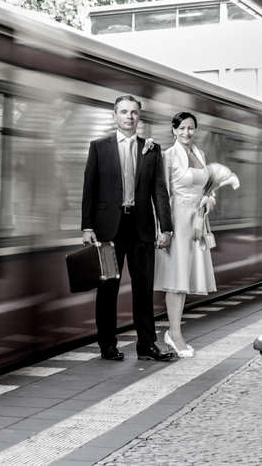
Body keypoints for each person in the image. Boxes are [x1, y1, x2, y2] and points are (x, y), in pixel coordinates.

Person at [81, 95, 175, 362]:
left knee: (144, 289)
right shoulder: (99, 147)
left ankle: (147, 345)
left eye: (134, 112)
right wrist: (87, 226)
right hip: (108, 230)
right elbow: (89, 188)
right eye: (123, 112)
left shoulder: (151, 149)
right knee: (108, 288)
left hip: (141, 228)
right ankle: (107, 345)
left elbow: (160, 191)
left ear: (139, 117)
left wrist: (165, 229)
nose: (129, 117)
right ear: (114, 116)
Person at [154, 112, 216, 358]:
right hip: (177, 220)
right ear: (174, 130)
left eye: (191, 128)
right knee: (176, 281)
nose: (187, 133)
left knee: (186, 280)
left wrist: (209, 199)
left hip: (196, 222)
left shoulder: (200, 155)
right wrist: (163, 229)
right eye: (182, 128)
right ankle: (174, 334)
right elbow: (162, 195)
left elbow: (207, 186)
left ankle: (175, 331)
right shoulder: (167, 157)